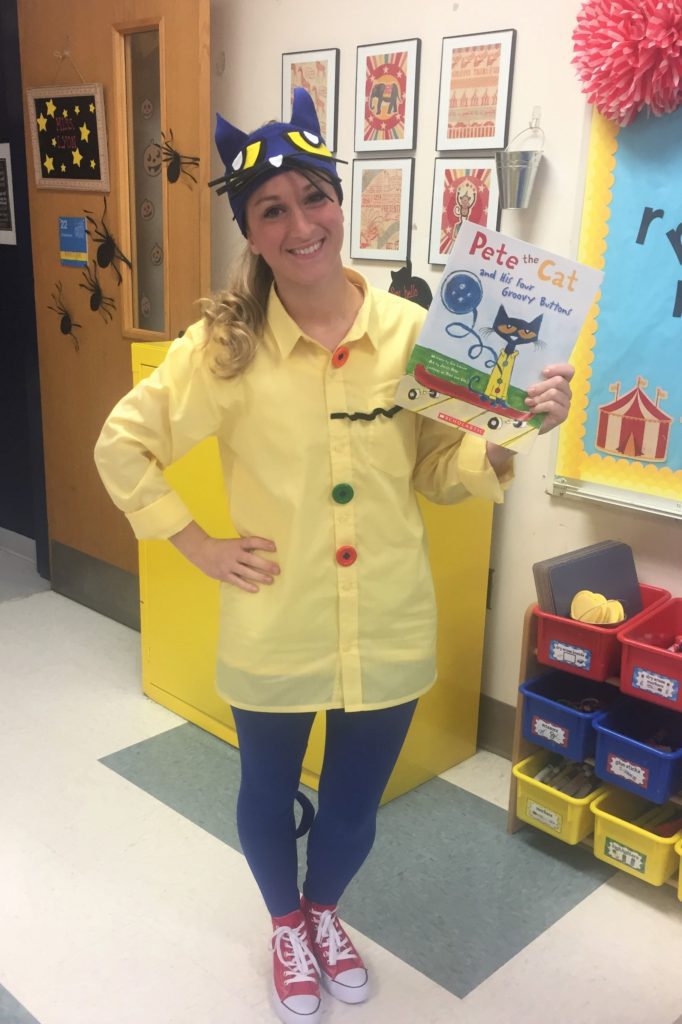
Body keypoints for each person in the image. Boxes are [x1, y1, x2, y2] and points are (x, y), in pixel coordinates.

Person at [94, 88, 573, 1024]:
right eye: (272, 209)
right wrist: (195, 543)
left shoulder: (412, 330)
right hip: (276, 614)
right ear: (252, 230)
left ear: (340, 204)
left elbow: (439, 468)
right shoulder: (221, 348)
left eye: (314, 198)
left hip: (388, 612)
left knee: (356, 802)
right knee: (267, 790)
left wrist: (509, 436)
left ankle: (325, 914)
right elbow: (122, 441)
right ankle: (283, 922)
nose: (300, 223)